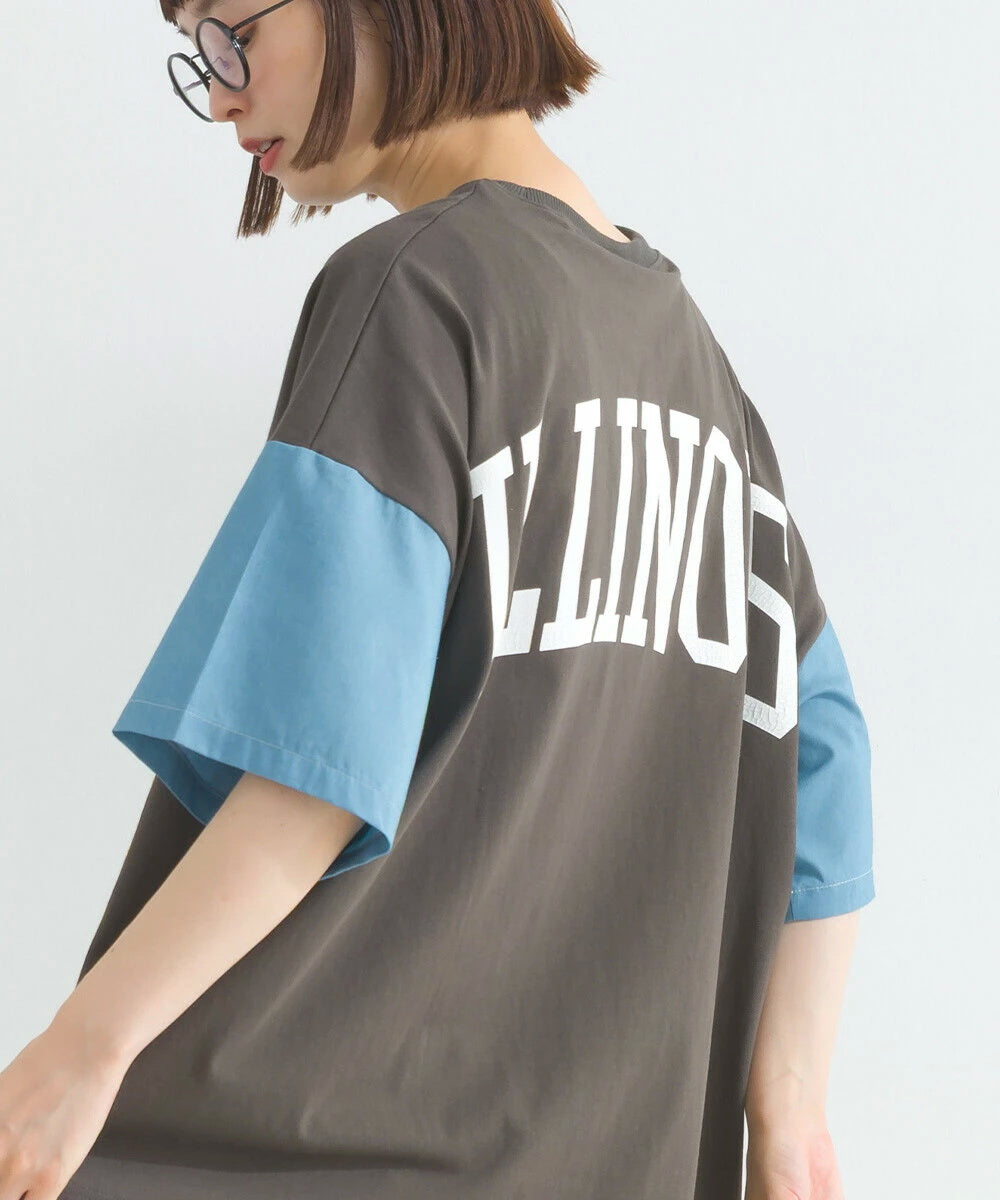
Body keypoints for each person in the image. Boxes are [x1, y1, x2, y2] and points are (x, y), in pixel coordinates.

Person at [0, 1, 875, 1198]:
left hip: (321, 1144)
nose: (220, 93)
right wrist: (789, 1112)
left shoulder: (419, 292)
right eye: (196, 54)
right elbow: (822, 743)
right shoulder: (697, 371)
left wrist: (82, 1048)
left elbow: (315, 757)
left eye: (231, 30)